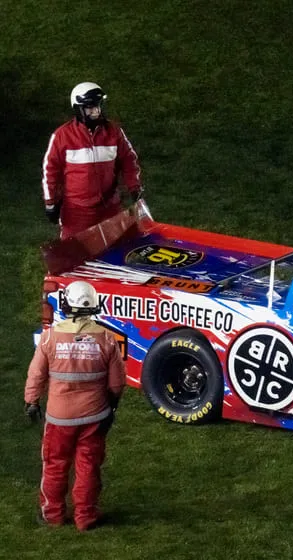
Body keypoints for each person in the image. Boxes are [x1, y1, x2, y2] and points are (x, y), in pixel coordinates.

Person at [24, 280, 125, 530]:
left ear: (66, 303)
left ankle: (53, 515)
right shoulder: (107, 339)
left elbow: (36, 374)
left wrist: (31, 401)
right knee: (89, 466)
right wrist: (110, 409)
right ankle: (86, 516)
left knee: (55, 465)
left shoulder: (49, 339)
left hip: (59, 418)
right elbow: (117, 384)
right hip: (94, 417)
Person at [41, 82, 143, 240]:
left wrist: (134, 187)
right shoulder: (62, 136)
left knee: (117, 251)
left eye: (98, 106)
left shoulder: (114, 132)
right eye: (90, 108)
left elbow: (129, 160)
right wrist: (51, 202)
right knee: (73, 255)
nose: (96, 111)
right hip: (77, 212)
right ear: (78, 109)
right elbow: (50, 171)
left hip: (110, 207)